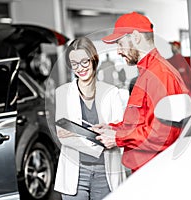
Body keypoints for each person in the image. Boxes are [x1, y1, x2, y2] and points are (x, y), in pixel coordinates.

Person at [95, 12, 190, 172]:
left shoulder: (160, 75)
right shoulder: (147, 73)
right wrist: (113, 129)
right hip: (145, 170)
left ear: (136, 37)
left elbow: (163, 135)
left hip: (155, 172)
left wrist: (118, 138)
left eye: (120, 43)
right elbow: (143, 122)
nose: (118, 51)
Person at [54, 37, 126, 200]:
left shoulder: (111, 92)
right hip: (75, 173)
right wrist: (100, 140)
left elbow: (118, 131)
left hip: (105, 173)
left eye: (84, 62)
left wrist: (78, 133)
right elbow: (64, 137)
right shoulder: (62, 92)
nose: (80, 68)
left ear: (93, 60)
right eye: (74, 64)